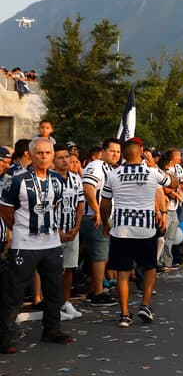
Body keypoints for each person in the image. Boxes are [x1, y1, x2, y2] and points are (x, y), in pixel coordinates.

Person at [0, 137, 72, 349]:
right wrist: (19, 228)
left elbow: (55, 206)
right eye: (39, 153)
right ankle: (5, 337)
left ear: (52, 155)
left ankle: (52, 330)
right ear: (30, 155)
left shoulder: (57, 180)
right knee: (15, 293)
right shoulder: (17, 179)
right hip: (25, 244)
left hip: (51, 243)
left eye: (47, 153)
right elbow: (5, 209)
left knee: (54, 289)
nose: (43, 157)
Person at [100, 137, 177, 328]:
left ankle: (125, 314)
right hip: (145, 229)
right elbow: (173, 183)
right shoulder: (152, 173)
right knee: (150, 268)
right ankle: (145, 305)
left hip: (121, 230)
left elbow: (105, 203)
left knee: (123, 272)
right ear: (141, 153)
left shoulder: (114, 174)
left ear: (123, 155)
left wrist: (105, 223)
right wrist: (157, 168)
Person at [81, 138, 121, 307]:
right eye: (112, 151)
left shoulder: (111, 168)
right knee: (99, 255)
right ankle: (97, 293)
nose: (116, 155)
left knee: (102, 255)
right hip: (93, 218)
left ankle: (94, 288)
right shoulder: (96, 166)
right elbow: (88, 187)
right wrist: (97, 211)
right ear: (102, 151)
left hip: (105, 217)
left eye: (118, 152)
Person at [53, 143, 84, 320]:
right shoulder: (50, 178)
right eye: (61, 157)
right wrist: (57, 230)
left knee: (69, 268)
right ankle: (51, 302)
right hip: (53, 232)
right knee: (51, 269)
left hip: (72, 229)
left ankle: (66, 302)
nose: (65, 161)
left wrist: (77, 226)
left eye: (67, 157)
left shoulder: (75, 178)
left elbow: (80, 204)